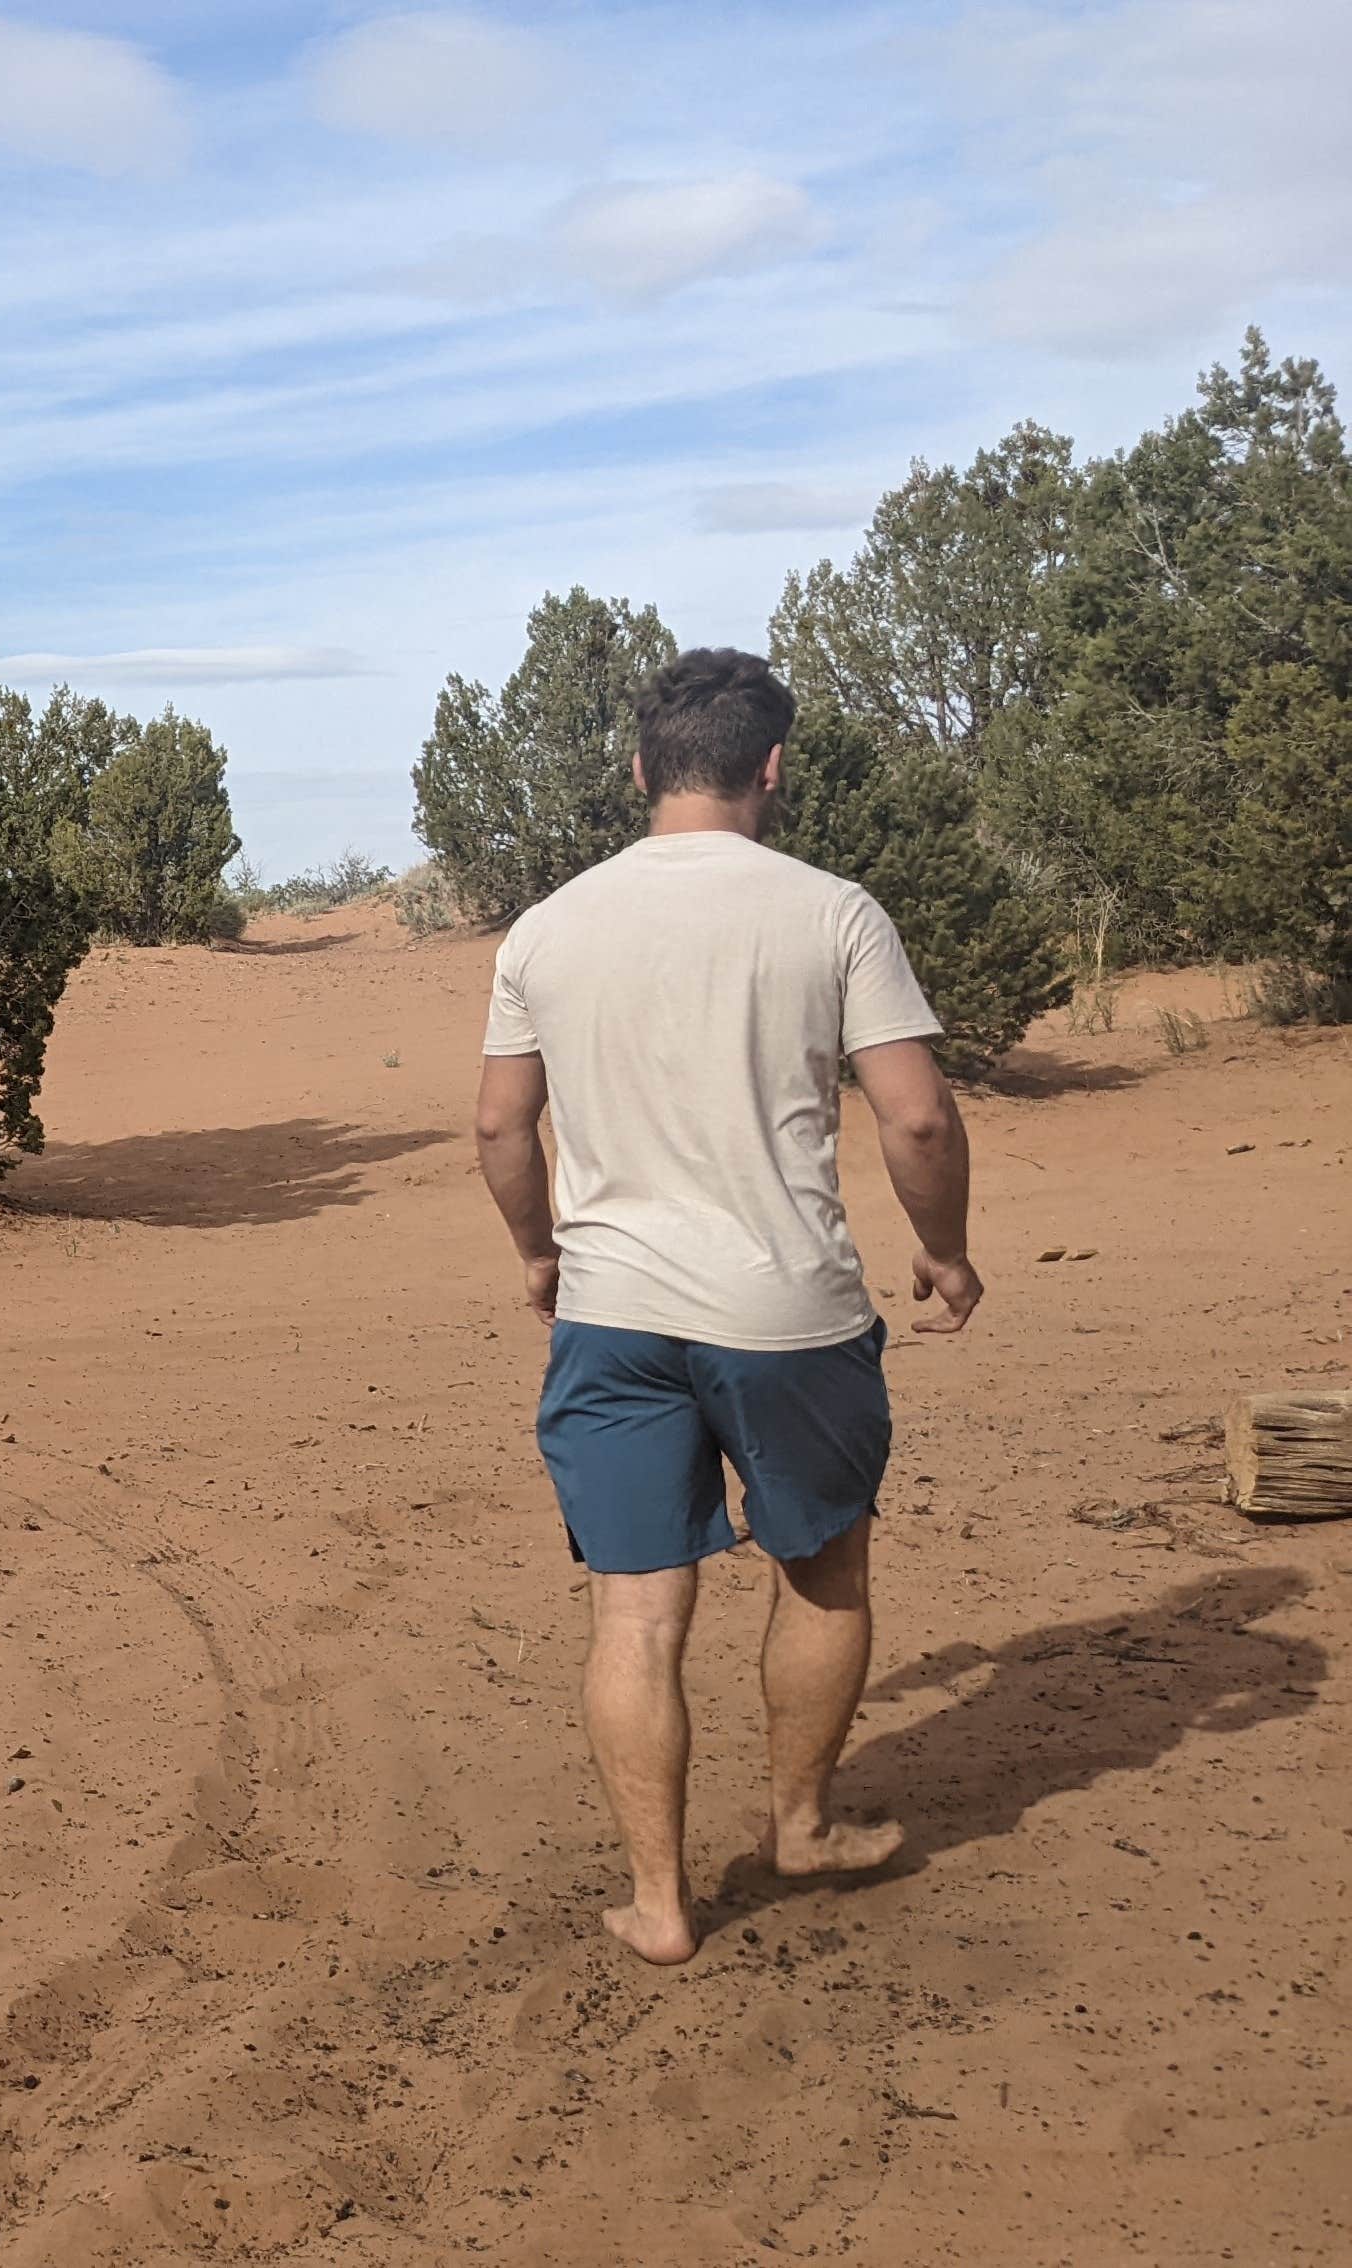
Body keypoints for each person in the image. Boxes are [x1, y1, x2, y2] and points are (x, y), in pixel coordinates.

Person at [470, 647, 982, 1968]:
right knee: (821, 1565)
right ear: (772, 769)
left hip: (614, 1312)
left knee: (637, 1614)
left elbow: (500, 1125)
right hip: (787, 1314)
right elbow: (916, 1113)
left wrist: (540, 1253)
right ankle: (798, 1827)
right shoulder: (832, 914)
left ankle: (659, 1900)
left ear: (640, 769)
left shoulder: (549, 927)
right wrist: (946, 1251)